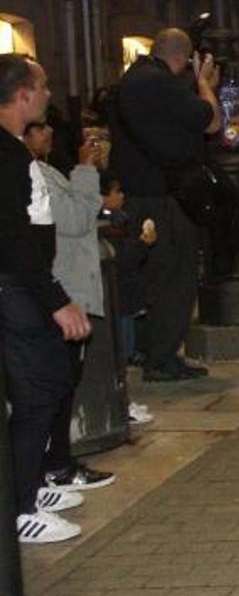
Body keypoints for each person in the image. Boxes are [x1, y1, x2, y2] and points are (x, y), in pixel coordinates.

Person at [0, 54, 93, 544]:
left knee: (51, 381)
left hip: (28, 286)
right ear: (22, 94)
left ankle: (36, 482)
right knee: (36, 391)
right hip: (17, 290)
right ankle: (20, 508)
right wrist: (54, 299)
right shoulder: (6, 156)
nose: (49, 93)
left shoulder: (16, 151)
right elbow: (13, 237)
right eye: (43, 85)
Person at [108, 27, 220, 382]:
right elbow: (212, 121)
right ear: (184, 58)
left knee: (147, 275)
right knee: (175, 276)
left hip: (137, 193)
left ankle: (148, 350)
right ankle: (162, 357)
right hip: (162, 196)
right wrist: (205, 84)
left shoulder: (133, 80)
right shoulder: (159, 84)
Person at [22, 121, 118, 495]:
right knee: (55, 386)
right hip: (60, 292)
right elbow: (73, 220)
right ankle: (54, 467)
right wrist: (86, 169)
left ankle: (56, 464)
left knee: (64, 382)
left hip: (66, 290)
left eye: (48, 127)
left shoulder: (43, 170)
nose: (46, 134)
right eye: (37, 128)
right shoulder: (33, 175)